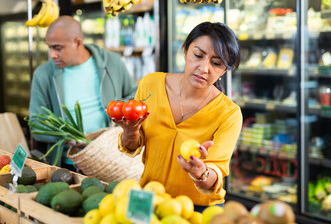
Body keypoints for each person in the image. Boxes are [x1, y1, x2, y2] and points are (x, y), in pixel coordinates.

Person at [114, 22, 242, 210]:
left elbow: (215, 173)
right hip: (149, 199)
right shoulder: (151, 85)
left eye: (216, 63)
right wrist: (130, 131)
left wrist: (200, 172)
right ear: (185, 51)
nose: (204, 68)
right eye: (198, 55)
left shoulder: (229, 114)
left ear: (224, 70)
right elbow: (133, 146)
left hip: (197, 209)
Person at [29, 16, 137, 170]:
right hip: (66, 166)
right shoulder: (43, 74)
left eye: (58, 48)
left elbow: (134, 95)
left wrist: (119, 113)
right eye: (50, 48)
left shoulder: (112, 62)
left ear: (77, 42)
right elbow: (35, 124)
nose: (52, 54)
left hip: (110, 160)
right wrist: (66, 136)